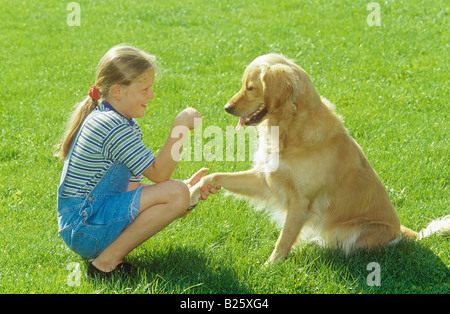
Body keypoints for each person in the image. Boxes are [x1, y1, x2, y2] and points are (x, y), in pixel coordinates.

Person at [54, 44, 220, 278]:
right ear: (118, 91)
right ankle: (105, 264)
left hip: (84, 225)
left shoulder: (118, 121)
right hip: (84, 227)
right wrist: (181, 126)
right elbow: (160, 174)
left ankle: (106, 255)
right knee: (174, 191)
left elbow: (130, 190)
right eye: (145, 89)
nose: (152, 95)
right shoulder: (112, 126)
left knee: (176, 192)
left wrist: (185, 193)